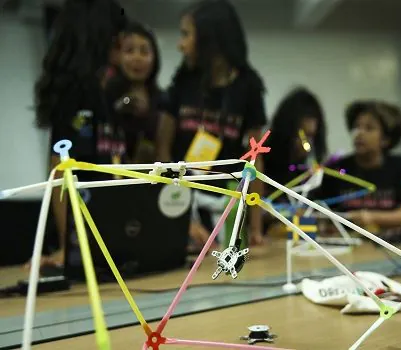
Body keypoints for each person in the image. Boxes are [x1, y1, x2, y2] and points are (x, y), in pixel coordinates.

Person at [156, 0, 267, 246]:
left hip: (224, 204)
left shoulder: (247, 87)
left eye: (186, 34)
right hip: (181, 201)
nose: (180, 45)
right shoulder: (183, 80)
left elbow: (254, 159)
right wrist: (175, 207)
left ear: (209, 37)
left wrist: (256, 227)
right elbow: (162, 150)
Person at [32, 0, 127, 269]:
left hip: (115, 235)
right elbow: (61, 170)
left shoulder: (112, 90)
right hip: (82, 238)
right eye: (114, 38)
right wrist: (67, 247)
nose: (119, 44)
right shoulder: (75, 92)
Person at [315, 101, 401, 233]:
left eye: (369, 128)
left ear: (385, 139)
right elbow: (317, 212)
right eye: (356, 127)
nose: (359, 133)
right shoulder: (336, 168)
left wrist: (370, 217)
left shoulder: (400, 166)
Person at [105, 22, 162, 164]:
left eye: (144, 52)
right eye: (129, 51)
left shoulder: (163, 100)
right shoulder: (106, 96)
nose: (137, 58)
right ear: (117, 56)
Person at [263, 87, 327, 189]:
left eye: (310, 136)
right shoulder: (260, 164)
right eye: (301, 134)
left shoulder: (311, 173)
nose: (306, 145)